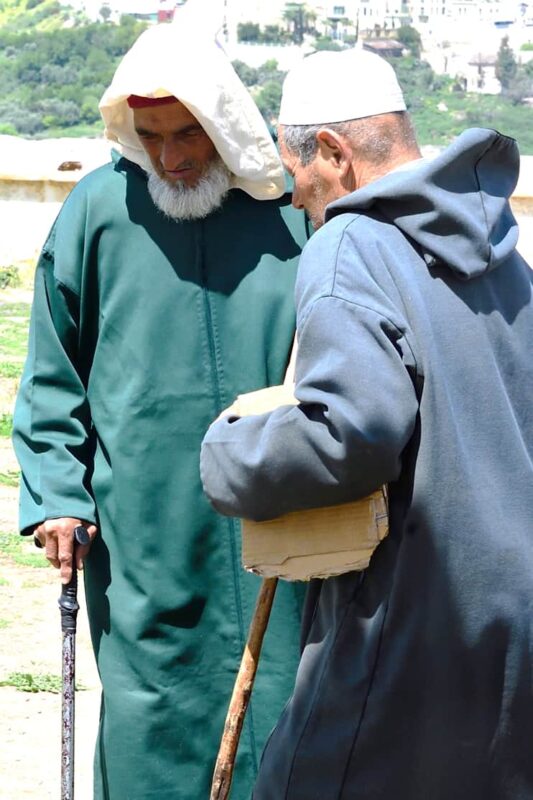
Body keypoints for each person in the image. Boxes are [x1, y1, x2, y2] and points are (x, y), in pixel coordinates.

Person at [200, 47, 533, 799]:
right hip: (513, 617)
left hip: (417, 610)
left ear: (333, 153)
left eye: (299, 182)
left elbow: (350, 431)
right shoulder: (499, 249)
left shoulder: (351, 243)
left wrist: (228, 453)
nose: (300, 202)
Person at [12, 20, 309, 800]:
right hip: (142, 527)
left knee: (289, 704)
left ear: (224, 124)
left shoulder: (293, 209)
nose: (172, 158)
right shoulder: (99, 209)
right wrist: (56, 496)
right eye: (152, 137)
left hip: (284, 520)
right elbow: (52, 375)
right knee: (150, 710)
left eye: (189, 135)